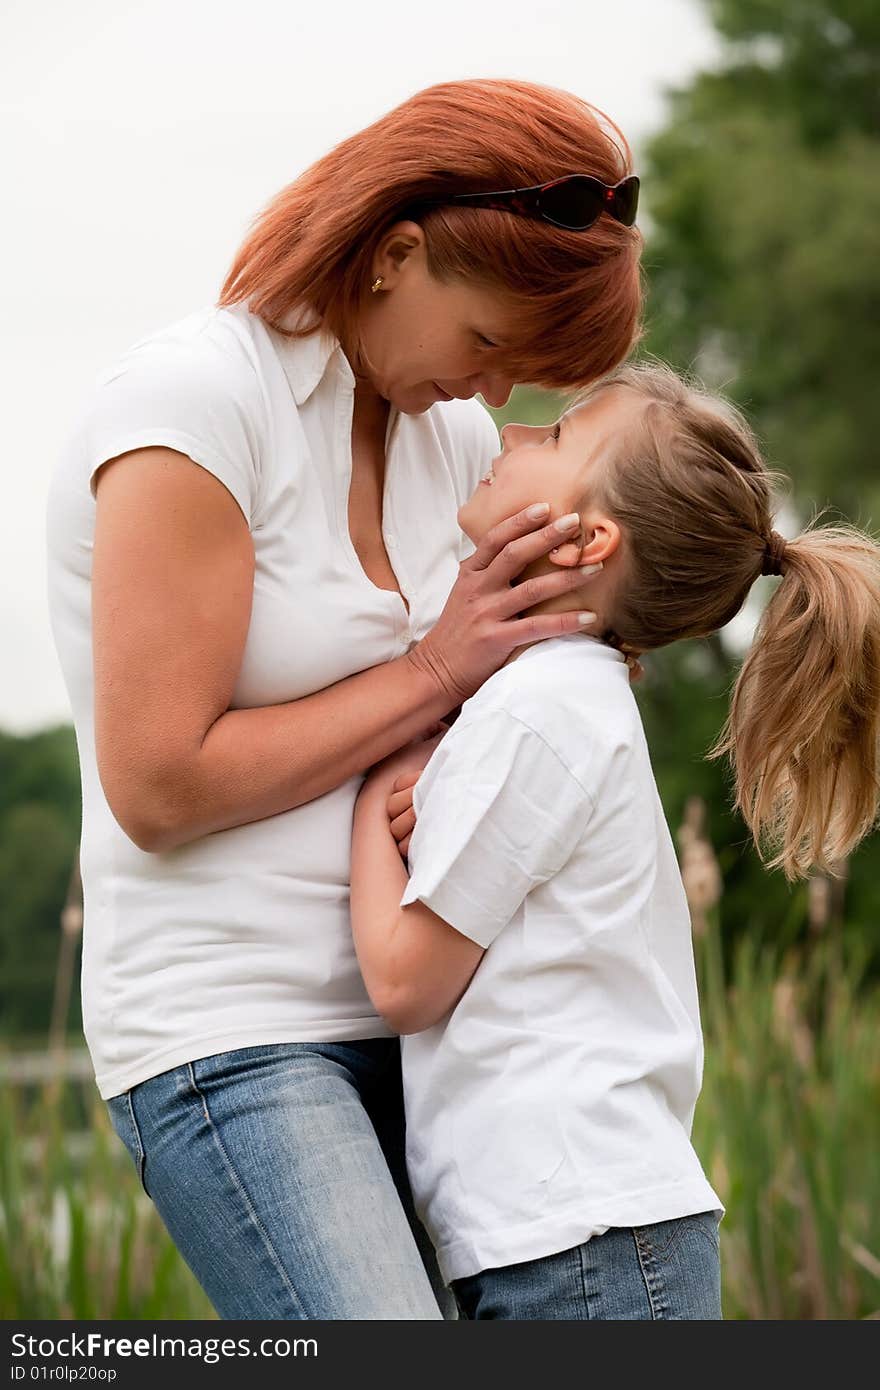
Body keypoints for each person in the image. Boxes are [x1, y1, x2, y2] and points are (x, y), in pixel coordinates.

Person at [45, 78, 643, 1319]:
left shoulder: (456, 445)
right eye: (485, 345)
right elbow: (159, 786)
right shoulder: (193, 410)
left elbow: (529, 671)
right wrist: (430, 679)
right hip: (237, 1030)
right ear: (395, 253)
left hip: (435, 1030)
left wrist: (483, 721)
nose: (492, 395)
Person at [349, 360, 880, 1320]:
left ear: (589, 540)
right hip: (582, 1243)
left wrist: (367, 787)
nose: (508, 436)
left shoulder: (545, 710)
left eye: (552, 439)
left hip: (582, 1249)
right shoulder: (554, 699)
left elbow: (404, 982)